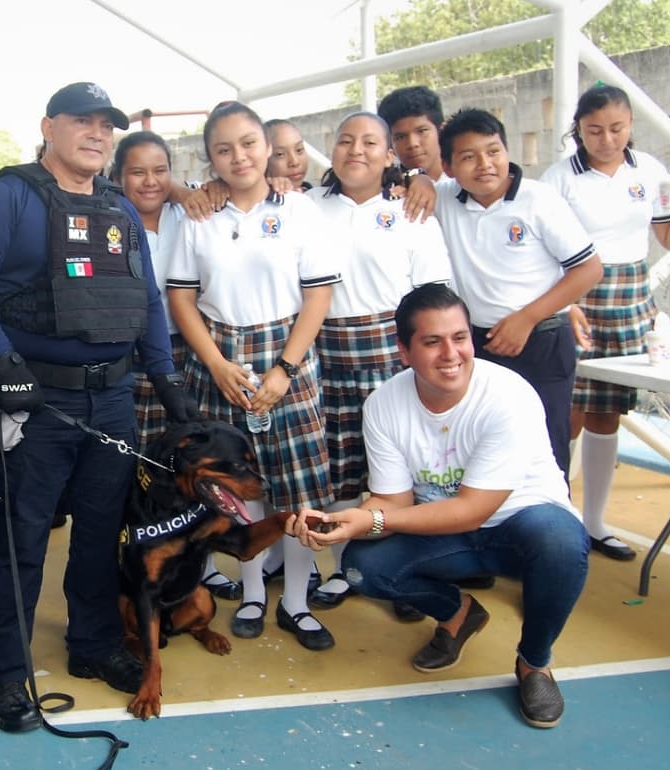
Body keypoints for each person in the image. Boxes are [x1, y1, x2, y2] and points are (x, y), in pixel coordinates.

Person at [0, 81, 197, 733]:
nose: (96, 134)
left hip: (112, 398)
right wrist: (2, 363)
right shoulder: (7, 199)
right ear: (48, 127)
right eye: (82, 121)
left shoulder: (119, 207)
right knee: (23, 537)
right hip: (37, 401)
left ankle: (94, 643)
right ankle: (2, 670)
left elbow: (145, 298)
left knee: (101, 530)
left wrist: (165, 380)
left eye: (105, 125)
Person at [305, 283, 590, 729]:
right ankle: (458, 614)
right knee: (361, 566)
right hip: (446, 531)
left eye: (460, 338)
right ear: (403, 351)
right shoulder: (383, 404)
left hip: (521, 524)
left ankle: (534, 662)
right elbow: (394, 502)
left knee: (562, 544)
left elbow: (473, 509)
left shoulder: (508, 396)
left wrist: (372, 517)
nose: (451, 354)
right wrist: (340, 523)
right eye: (432, 342)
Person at [166, 101, 341, 651]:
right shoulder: (196, 216)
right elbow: (181, 297)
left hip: (287, 357)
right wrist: (216, 364)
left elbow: (318, 295)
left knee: (296, 488)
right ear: (209, 158)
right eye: (223, 149)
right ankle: (252, 593)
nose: (238, 156)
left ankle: (295, 601)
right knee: (237, 485)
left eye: (247, 143)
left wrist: (285, 369)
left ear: (267, 147)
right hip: (218, 359)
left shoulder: (300, 210)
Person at [541, 84, 670, 561]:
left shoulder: (648, 171)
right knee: (565, 413)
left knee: (607, 413)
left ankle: (595, 523)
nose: (606, 139)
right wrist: (565, 303)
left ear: (630, 125)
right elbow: (541, 248)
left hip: (631, 295)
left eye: (617, 128)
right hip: (576, 293)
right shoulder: (558, 179)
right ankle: (553, 518)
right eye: (594, 130)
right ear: (578, 129)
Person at [306, 112, 452, 609]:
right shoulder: (305, 207)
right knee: (341, 466)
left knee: (399, 469)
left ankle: (404, 570)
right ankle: (345, 567)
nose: (356, 150)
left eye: (370, 142)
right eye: (345, 140)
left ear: (389, 155)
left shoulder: (411, 210)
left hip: (394, 358)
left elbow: (432, 294)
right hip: (325, 356)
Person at [433, 108, 603, 480]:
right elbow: (413, 182)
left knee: (546, 448)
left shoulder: (538, 199)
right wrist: (416, 181)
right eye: (468, 157)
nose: (485, 164)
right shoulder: (442, 198)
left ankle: (553, 515)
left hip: (541, 341)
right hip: (480, 346)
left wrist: (526, 319)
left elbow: (589, 268)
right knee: (483, 449)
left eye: (493, 151)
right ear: (448, 167)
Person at [109, 131, 240, 602]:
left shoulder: (190, 212)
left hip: (185, 352)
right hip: (129, 357)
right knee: (136, 467)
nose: (150, 181)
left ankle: (198, 565)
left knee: (191, 467)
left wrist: (189, 192)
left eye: (160, 171)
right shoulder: (109, 217)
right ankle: (133, 565)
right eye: (137, 172)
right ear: (117, 176)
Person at [377, 85, 447, 182]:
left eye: (422, 131)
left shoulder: (464, 183)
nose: (412, 144)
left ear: (442, 131)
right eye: (400, 137)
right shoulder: (393, 189)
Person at [265, 119, 312, 192]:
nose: (295, 162)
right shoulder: (261, 198)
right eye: (280, 154)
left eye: (299, 150)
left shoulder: (316, 195)